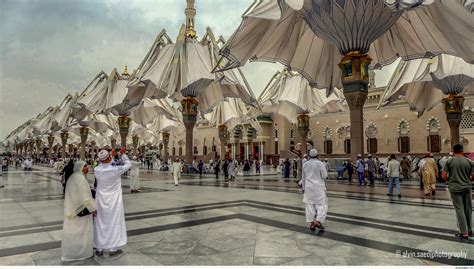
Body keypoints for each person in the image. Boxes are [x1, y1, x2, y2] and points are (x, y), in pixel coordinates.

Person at [93, 148, 131, 256]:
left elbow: (103, 164)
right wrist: (123, 155)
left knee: (100, 222)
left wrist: (110, 156)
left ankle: (99, 248)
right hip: (114, 200)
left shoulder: (96, 170)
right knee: (113, 222)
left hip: (100, 200)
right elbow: (128, 164)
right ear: (109, 157)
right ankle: (113, 249)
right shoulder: (115, 169)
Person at [61, 161, 97, 261]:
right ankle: (81, 252)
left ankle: (73, 251)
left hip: (73, 209)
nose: (87, 168)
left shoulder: (74, 177)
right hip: (81, 210)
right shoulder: (80, 179)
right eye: (85, 166)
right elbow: (85, 197)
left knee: (74, 232)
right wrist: (93, 208)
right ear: (80, 168)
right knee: (83, 232)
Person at [442, 144, 474, 240]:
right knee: (468, 208)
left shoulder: (450, 161)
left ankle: (463, 232)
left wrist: (450, 179)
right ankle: (469, 229)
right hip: (467, 187)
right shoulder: (469, 161)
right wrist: (467, 179)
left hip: (455, 188)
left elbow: (443, 176)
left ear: (454, 151)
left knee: (459, 209)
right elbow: (473, 176)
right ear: (462, 150)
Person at [302, 149, 328, 231]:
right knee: (321, 205)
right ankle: (318, 221)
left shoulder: (305, 164)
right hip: (318, 187)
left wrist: (303, 187)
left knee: (309, 205)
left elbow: (303, 177)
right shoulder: (320, 164)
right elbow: (324, 176)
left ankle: (312, 224)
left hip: (308, 187)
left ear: (309, 156)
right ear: (317, 156)